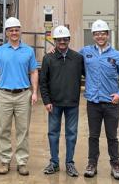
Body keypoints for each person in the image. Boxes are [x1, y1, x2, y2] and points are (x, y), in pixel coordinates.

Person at [81, 19, 119, 180]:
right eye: (97, 34)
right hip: (93, 103)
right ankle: (92, 164)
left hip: (111, 104)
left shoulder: (117, 56)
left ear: (108, 35)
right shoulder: (85, 52)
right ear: (93, 35)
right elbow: (70, 58)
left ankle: (115, 165)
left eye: (103, 33)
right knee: (93, 136)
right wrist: (56, 49)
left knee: (112, 136)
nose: (100, 36)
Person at [0, 17, 38, 176]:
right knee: (3, 129)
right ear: (6, 33)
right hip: (3, 94)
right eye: (11, 30)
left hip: (23, 94)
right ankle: (5, 161)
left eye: (17, 30)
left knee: (23, 131)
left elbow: (34, 72)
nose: (14, 33)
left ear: (20, 31)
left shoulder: (29, 51)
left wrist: (35, 92)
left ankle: (22, 162)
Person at [39, 26, 84, 177]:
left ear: (69, 40)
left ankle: (70, 163)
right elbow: (43, 82)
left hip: (72, 103)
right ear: (55, 41)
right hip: (54, 104)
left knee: (71, 134)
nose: (62, 42)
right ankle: (54, 163)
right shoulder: (48, 58)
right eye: (59, 39)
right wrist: (46, 101)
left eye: (65, 39)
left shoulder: (78, 58)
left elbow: (90, 74)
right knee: (53, 134)